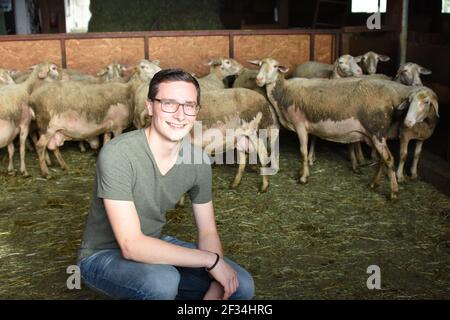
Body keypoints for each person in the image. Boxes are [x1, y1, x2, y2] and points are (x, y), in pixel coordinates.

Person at [77, 68, 254, 300]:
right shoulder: (118, 154)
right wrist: (212, 262)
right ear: (150, 107)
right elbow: (131, 245)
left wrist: (215, 280)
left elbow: (208, 230)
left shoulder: (198, 160)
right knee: (162, 282)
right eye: (169, 103)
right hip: (102, 256)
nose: (181, 115)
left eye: (189, 105)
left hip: (153, 242)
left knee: (241, 285)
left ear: (196, 111)